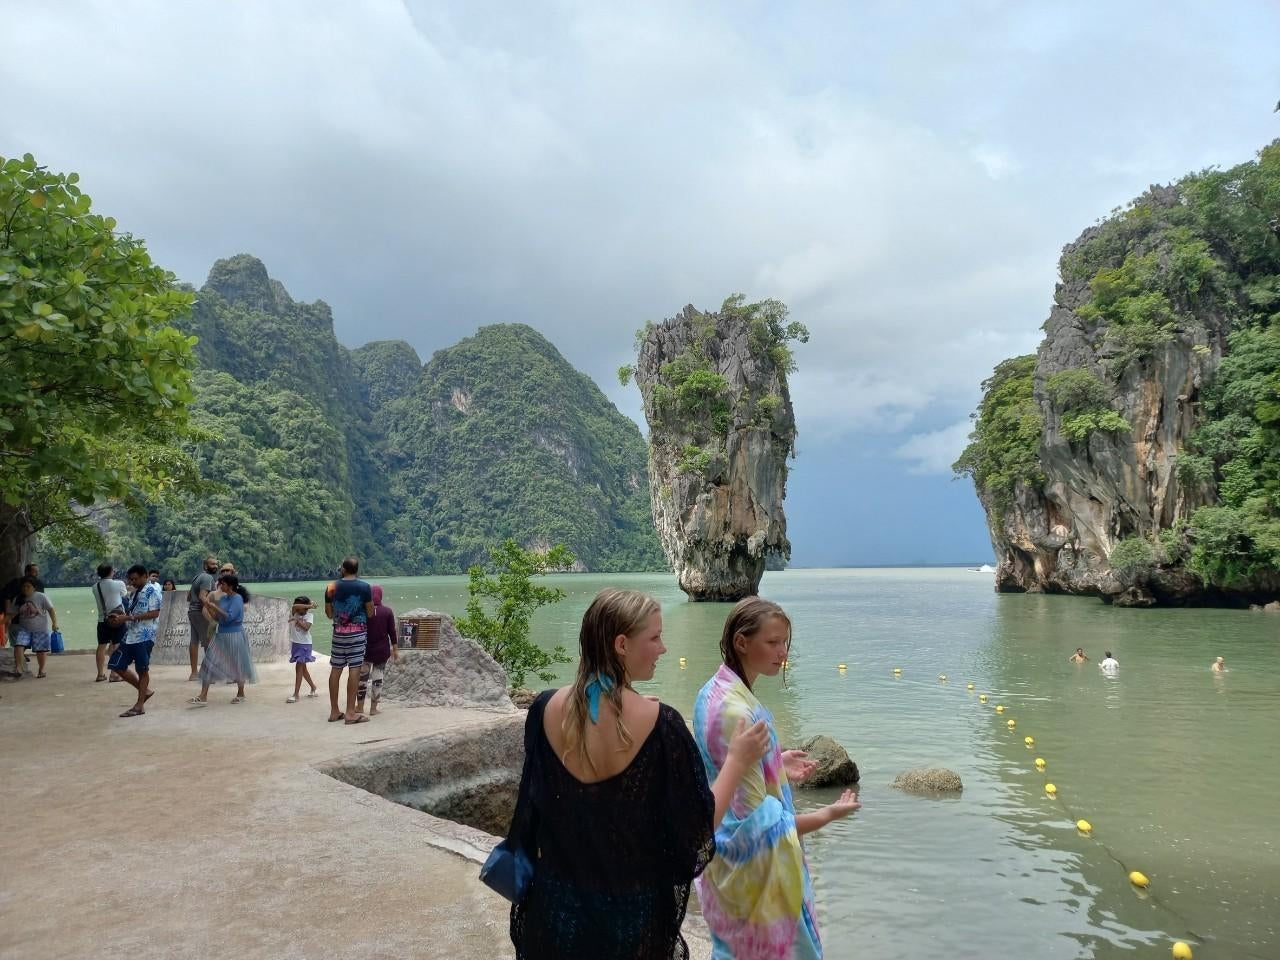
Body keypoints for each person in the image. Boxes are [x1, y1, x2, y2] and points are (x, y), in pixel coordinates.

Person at [503, 588, 770, 960]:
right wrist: (737, 762)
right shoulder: (662, 726)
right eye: (656, 637)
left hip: (555, 910)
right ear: (622, 644)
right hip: (627, 919)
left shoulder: (545, 708)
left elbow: (537, 810)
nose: (663, 648)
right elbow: (697, 835)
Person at [694, 597, 861, 960]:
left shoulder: (713, 691)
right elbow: (760, 827)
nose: (783, 652)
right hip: (753, 877)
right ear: (742, 642)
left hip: (723, 866)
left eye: (785, 642)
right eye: (772, 642)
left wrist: (774, 764)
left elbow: (726, 775)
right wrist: (827, 815)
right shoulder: (737, 711)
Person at [190, 574, 257, 705]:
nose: (221, 586)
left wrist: (214, 607)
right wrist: (210, 608)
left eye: (223, 583)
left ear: (230, 585)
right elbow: (218, 618)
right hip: (221, 633)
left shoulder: (237, 598)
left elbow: (230, 617)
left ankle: (241, 693)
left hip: (235, 634)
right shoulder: (224, 599)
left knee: (237, 664)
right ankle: (203, 696)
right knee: (208, 662)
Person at [324, 555, 374, 725]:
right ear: (357, 570)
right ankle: (351, 713)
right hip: (357, 634)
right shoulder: (365, 587)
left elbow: (329, 614)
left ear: (343, 569)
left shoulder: (331, 587)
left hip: (338, 633)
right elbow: (370, 613)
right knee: (354, 669)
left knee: (336, 669)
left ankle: (334, 711)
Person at [108, 565, 163, 717]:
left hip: (145, 635)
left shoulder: (153, 590)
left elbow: (155, 613)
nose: (133, 582)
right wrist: (118, 618)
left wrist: (128, 618)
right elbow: (130, 612)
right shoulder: (134, 593)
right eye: (131, 579)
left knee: (142, 669)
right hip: (131, 634)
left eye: (135, 579)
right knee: (116, 664)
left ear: (145, 576)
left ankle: (139, 705)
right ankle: (144, 691)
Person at [357, 584, 398, 716]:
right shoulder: (387, 611)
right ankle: (373, 709)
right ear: (381, 595)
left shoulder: (364, 610)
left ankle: (360, 706)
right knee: (377, 679)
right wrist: (395, 650)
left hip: (365, 650)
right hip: (382, 651)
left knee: (362, 679)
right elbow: (392, 632)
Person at [10, 577, 58, 679]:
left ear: (34, 588)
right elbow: (11, 615)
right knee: (18, 645)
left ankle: (41, 670)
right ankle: (18, 667)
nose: (25, 589)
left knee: (40, 650)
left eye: (28, 586)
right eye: (23, 586)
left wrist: (54, 623)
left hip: (40, 629)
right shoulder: (18, 599)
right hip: (24, 629)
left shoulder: (41, 597)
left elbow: (51, 610)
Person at [91, 563, 128, 681]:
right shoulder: (118, 584)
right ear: (111, 571)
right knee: (117, 645)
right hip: (117, 618)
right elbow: (124, 594)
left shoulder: (95, 587)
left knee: (101, 646)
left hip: (102, 619)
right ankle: (114, 673)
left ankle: (100, 674)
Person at [186, 556, 219, 681]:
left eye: (216, 564)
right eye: (212, 564)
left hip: (192, 612)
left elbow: (189, 597)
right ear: (205, 566)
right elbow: (202, 596)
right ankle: (210, 674)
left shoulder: (197, 577)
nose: (215, 566)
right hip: (201, 613)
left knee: (194, 641)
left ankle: (194, 673)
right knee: (209, 643)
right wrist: (213, 609)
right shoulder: (208, 578)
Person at [287, 596, 318, 702]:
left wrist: (297, 620)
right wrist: (310, 605)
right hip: (295, 644)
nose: (297, 608)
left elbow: (306, 628)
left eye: (301, 606)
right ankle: (313, 687)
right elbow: (294, 606)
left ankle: (296, 694)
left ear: (305, 608)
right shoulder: (294, 612)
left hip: (305, 644)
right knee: (303, 670)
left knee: (299, 668)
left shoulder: (310, 616)